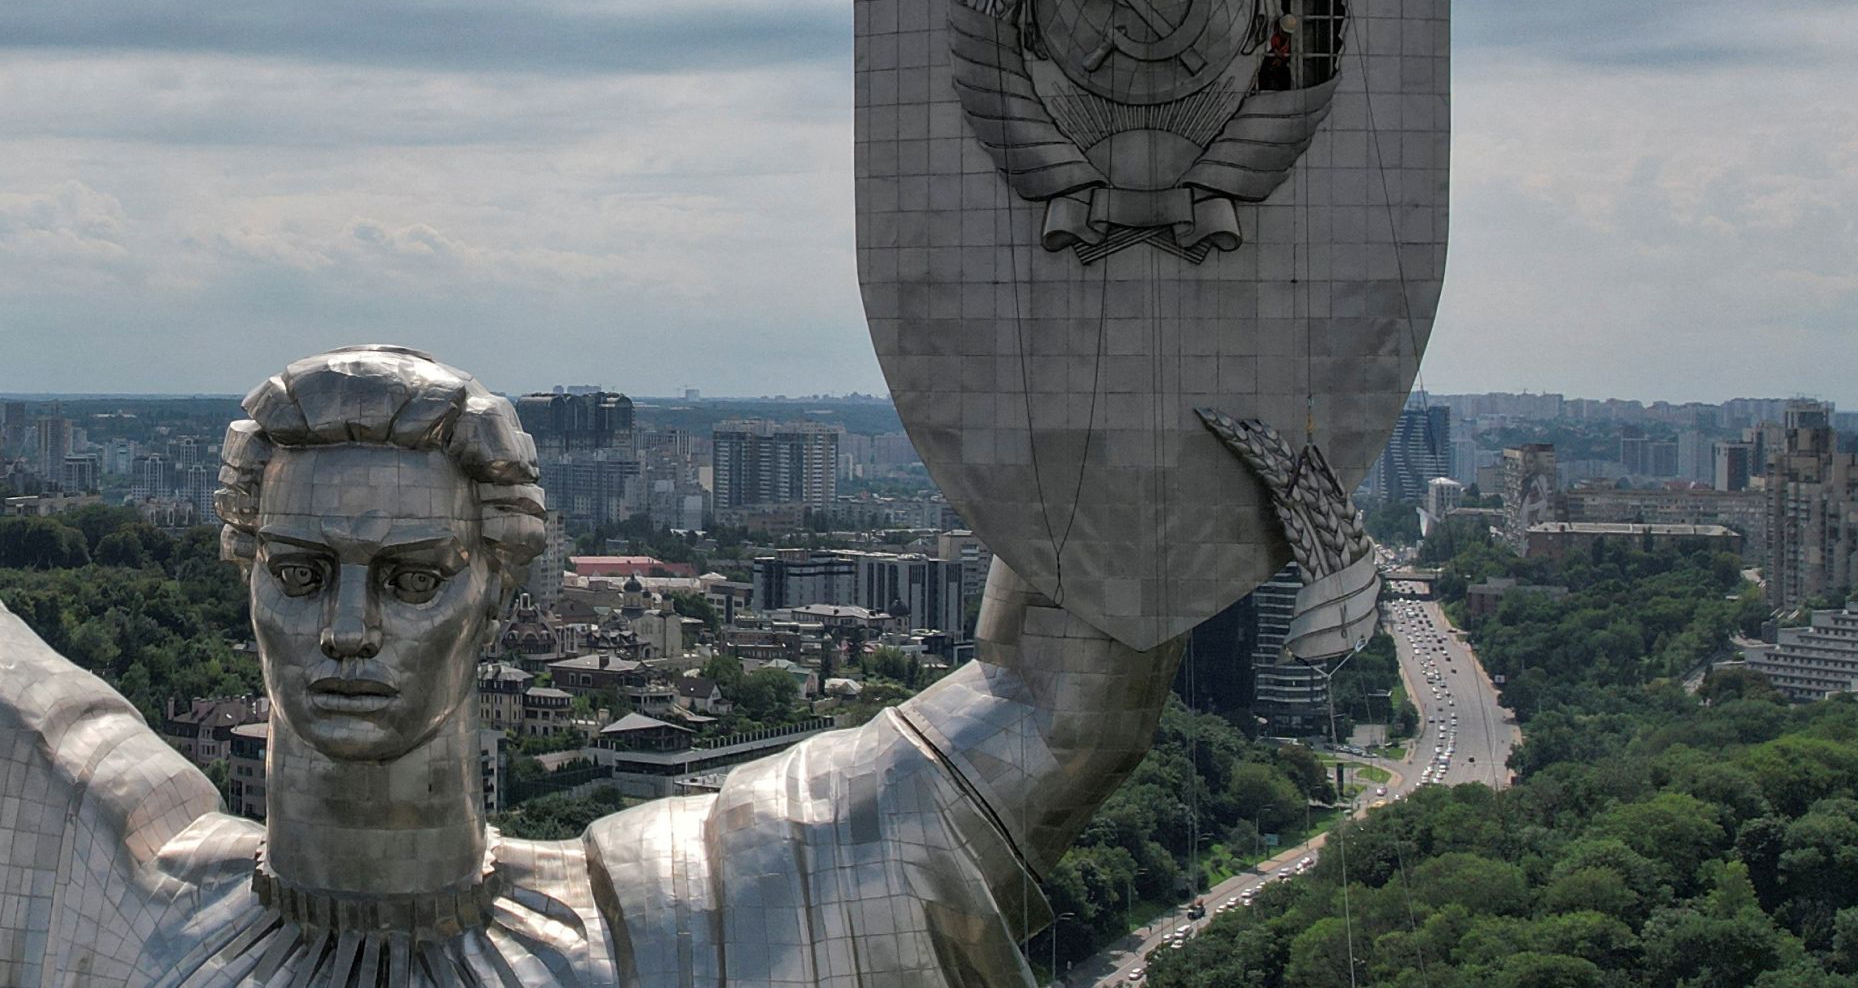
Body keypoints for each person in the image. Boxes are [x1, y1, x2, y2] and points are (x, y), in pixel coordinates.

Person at [0, 346, 1182, 987]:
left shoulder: (680, 920)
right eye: (302, 572)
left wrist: (1121, 311)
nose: (347, 628)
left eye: (412, 577)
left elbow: (1056, 710)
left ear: (499, 588)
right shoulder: (113, 889)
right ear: (246, 572)